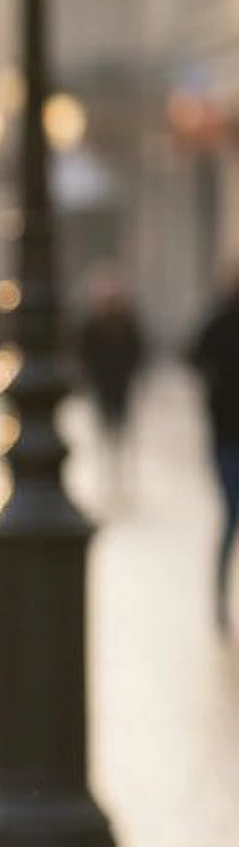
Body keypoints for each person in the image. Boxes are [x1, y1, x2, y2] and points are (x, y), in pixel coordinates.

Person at [192, 269, 239, 638]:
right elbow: (191, 356)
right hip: (226, 437)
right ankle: (220, 598)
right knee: (232, 515)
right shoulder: (218, 323)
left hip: (224, 434)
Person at [76, 268, 148, 507]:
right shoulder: (93, 326)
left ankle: (122, 482)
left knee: (122, 435)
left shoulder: (126, 323)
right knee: (104, 435)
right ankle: (107, 482)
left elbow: (137, 351)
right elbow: (83, 353)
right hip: (102, 386)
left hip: (121, 386)